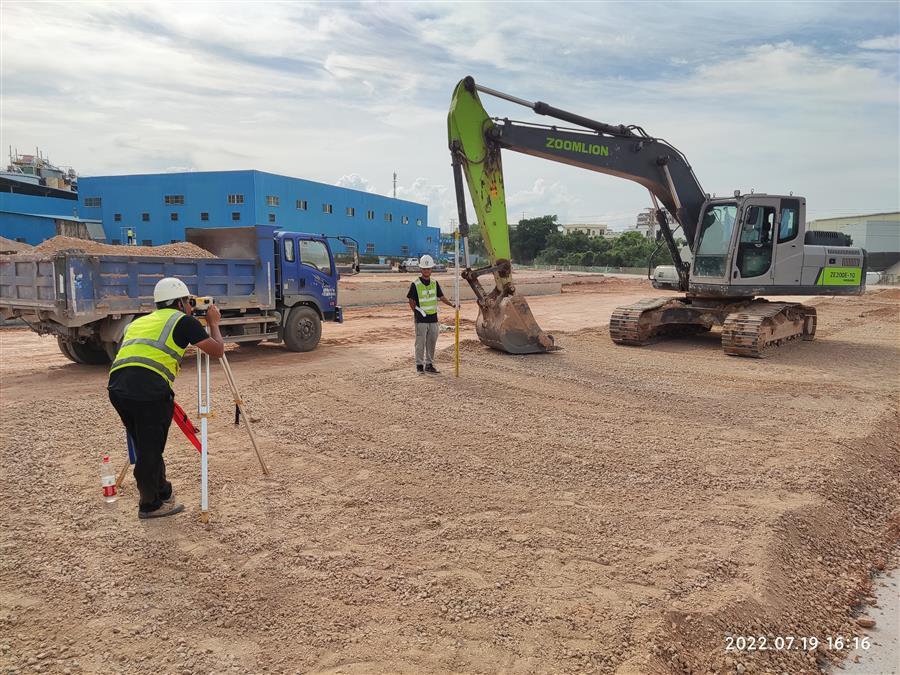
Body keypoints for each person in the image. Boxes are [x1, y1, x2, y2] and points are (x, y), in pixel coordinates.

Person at [108, 277, 225, 519]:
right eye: (189, 302)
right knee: (150, 448)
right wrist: (214, 323)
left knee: (144, 442)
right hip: (148, 389)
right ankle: (149, 505)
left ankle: (161, 490)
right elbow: (217, 350)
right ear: (181, 303)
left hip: (117, 386)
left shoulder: (140, 321)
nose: (192, 307)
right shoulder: (183, 321)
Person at [407, 254, 453, 374]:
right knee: (420, 343)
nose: (426, 270)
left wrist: (452, 305)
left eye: (428, 268)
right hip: (421, 320)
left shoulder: (434, 283)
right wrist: (417, 312)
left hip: (433, 319)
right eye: (424, 269)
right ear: (421, 269)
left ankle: (429, 364)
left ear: (431, 269)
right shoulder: (415, 284)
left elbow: (441, 297)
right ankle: (419, 366)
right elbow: (411, 301)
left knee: (431, 343)